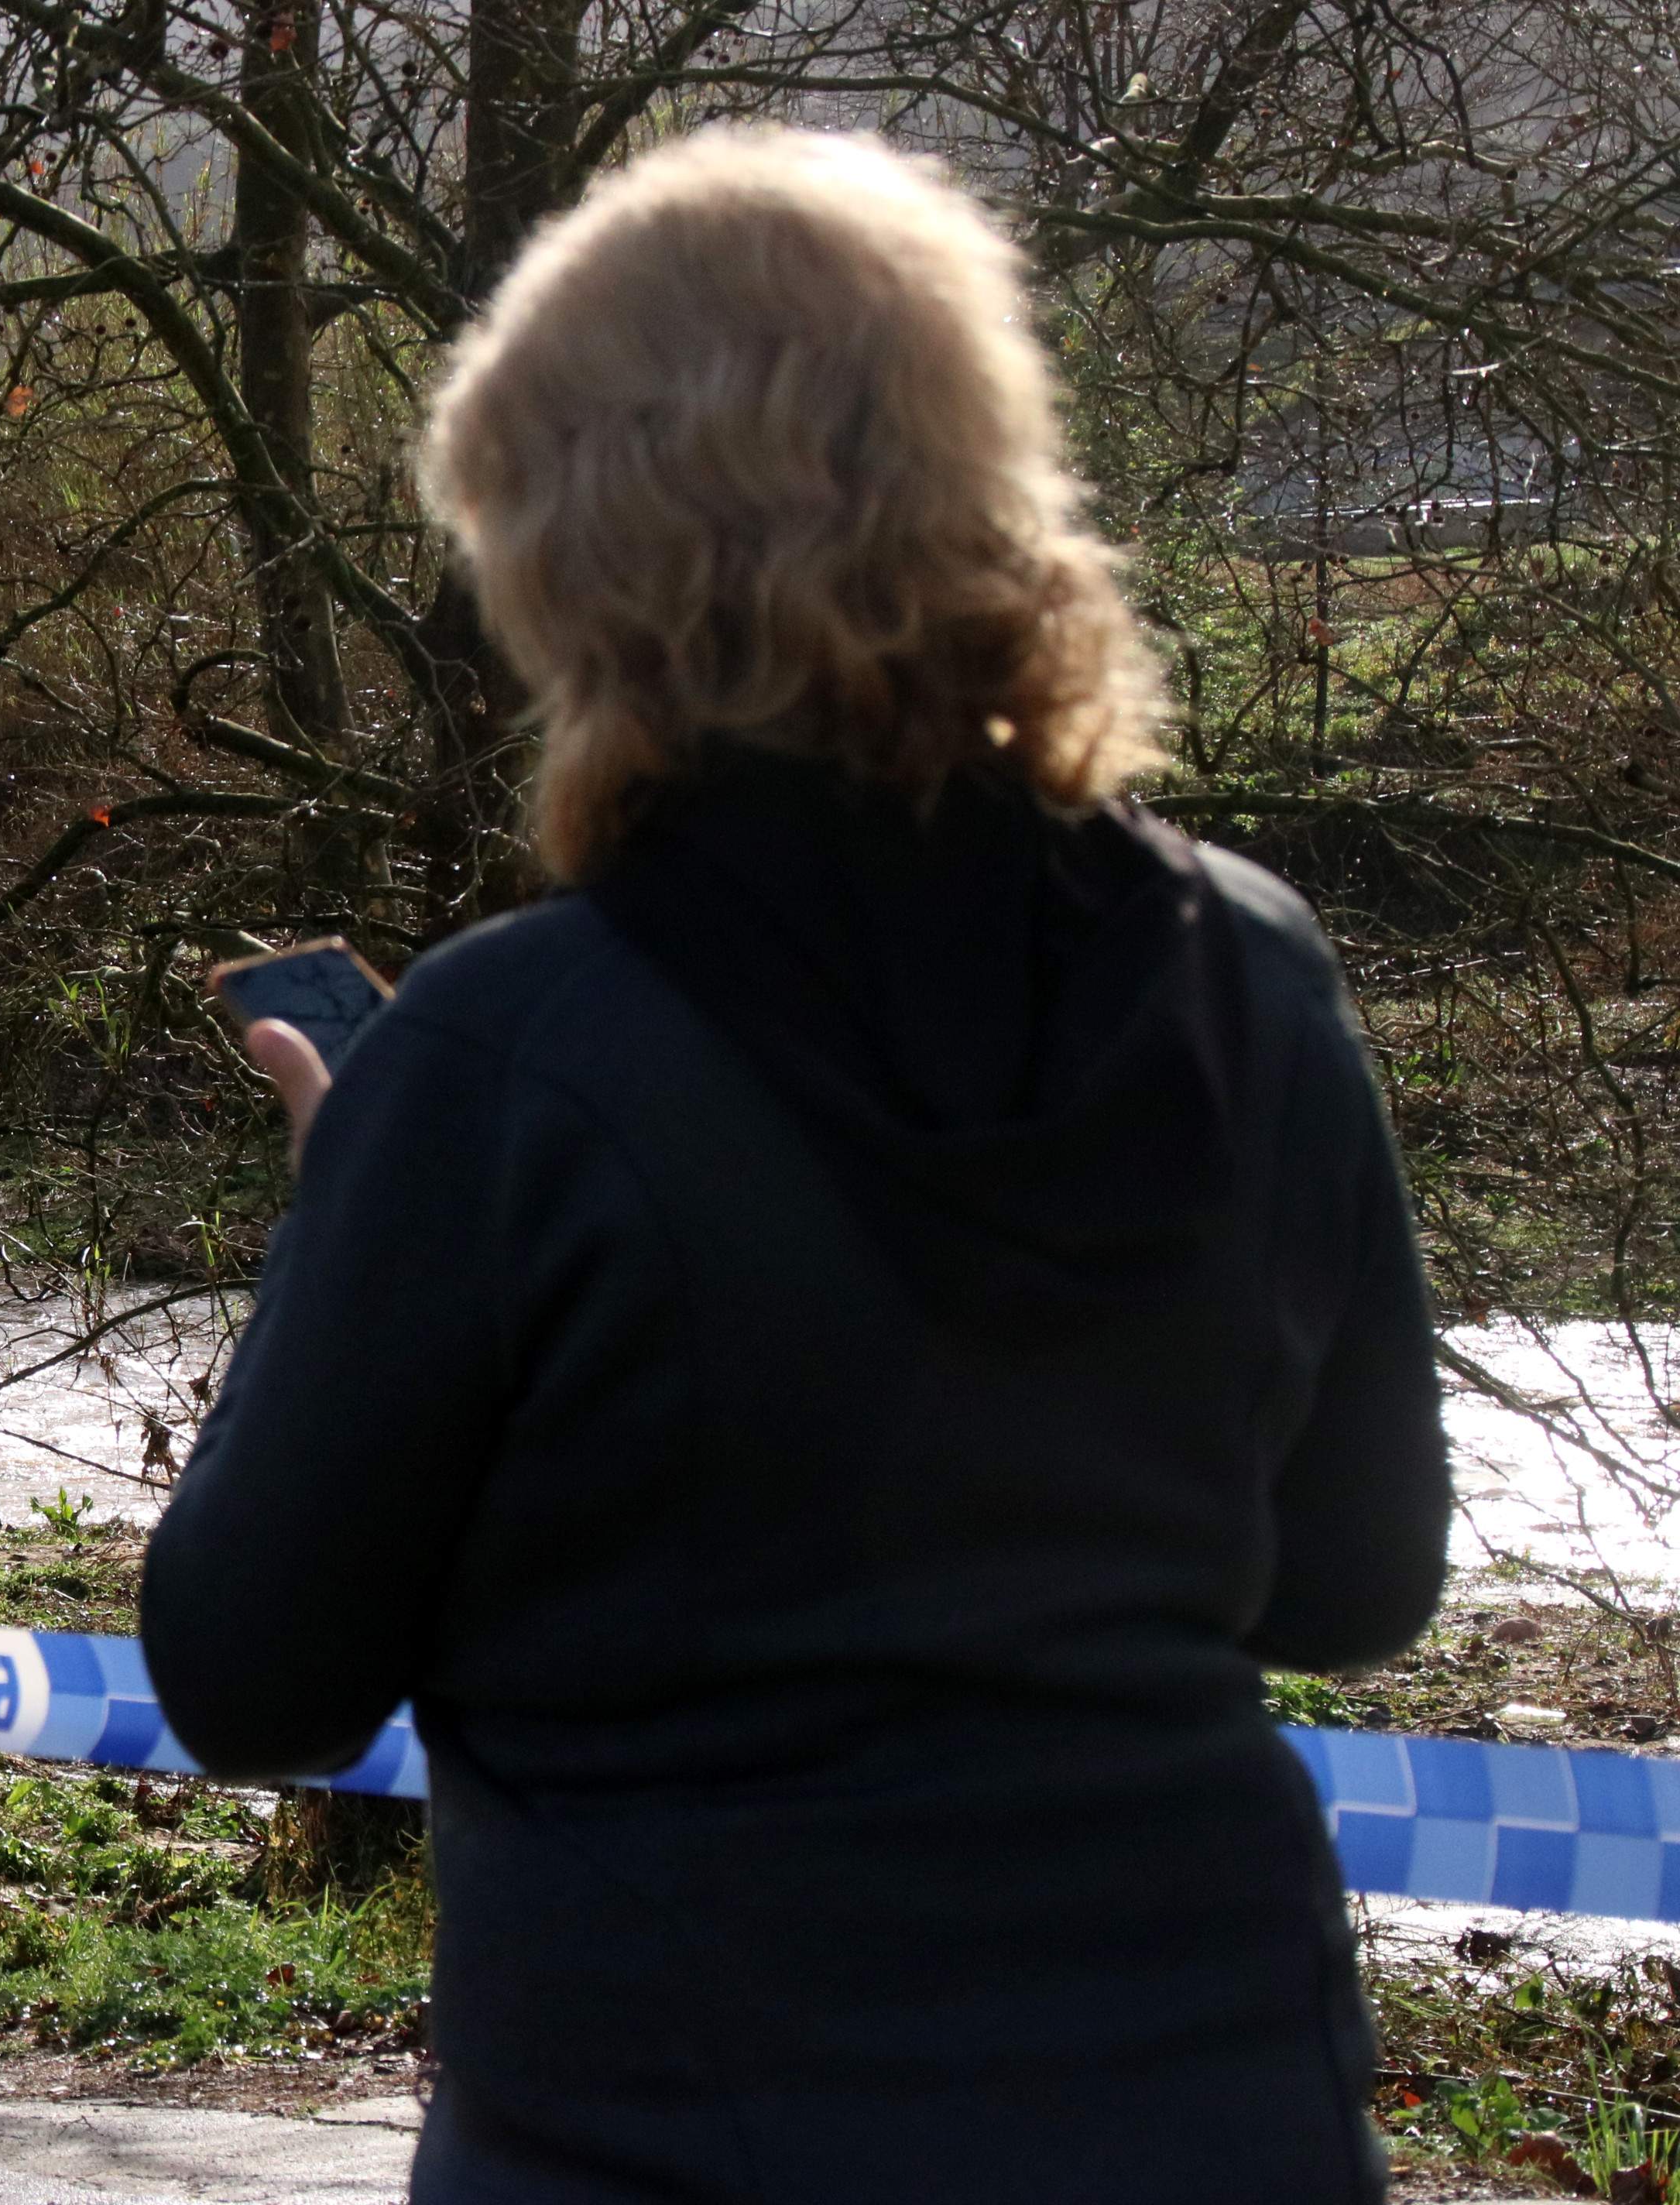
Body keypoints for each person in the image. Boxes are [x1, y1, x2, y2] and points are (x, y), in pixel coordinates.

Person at [139, 126, 1450, 2204]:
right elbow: (1360, 1583)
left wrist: (349, 1220)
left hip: (680, 2139)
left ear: (581, 570)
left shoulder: (500, 1060)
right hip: (1218, 2117)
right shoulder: (1249, 973)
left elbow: (248, 1674)